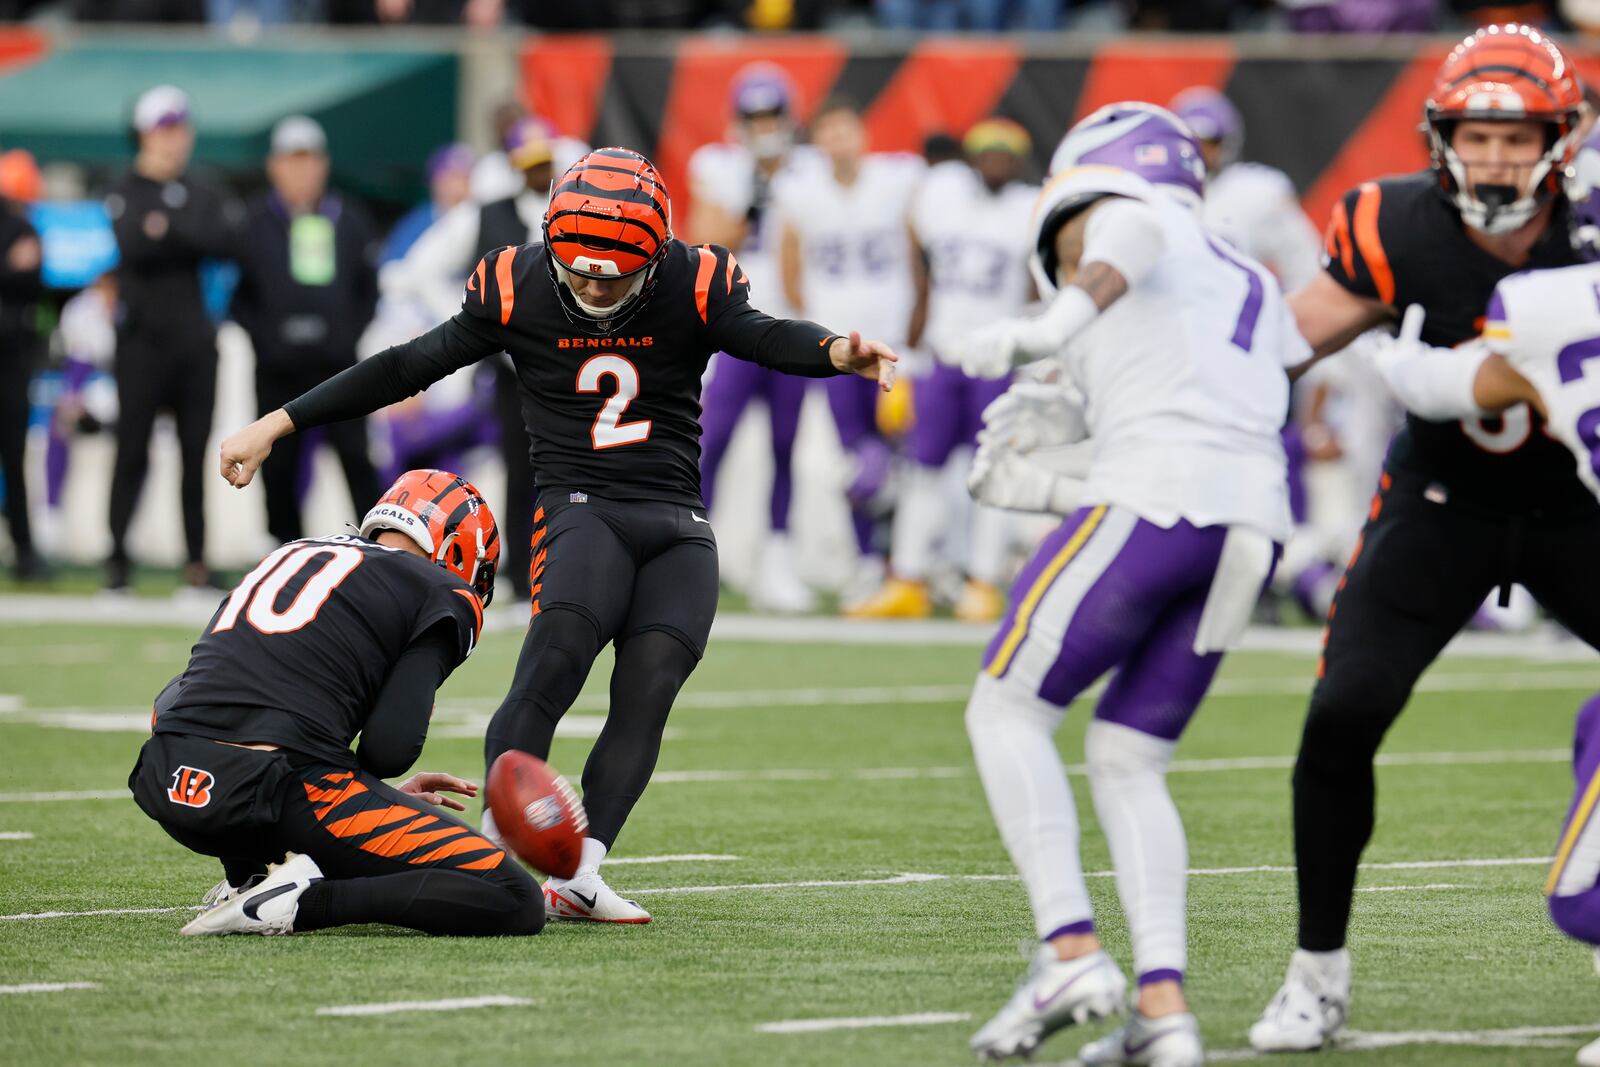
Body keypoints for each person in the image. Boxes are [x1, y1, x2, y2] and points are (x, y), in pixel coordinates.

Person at [216, 148, 897, 923]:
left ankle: (581, 871)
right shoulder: (516, 282)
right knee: (554, 665)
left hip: (679, 518)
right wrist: (277, 422)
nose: (594, 287)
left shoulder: (695, 278)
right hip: (581, 505)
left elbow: (764, 335)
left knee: (649, 691)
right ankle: (484, 858)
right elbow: (409, 365)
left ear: (656, 252)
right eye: (580, 272)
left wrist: (837, 352)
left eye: (613, 275)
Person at [1246, 25, 1600, 1052]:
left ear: (1560, 137)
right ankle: (1315, 973)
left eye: (1514, 135)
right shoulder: (1391, 221)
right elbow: (1277, 344)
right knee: (1342, 710)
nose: (1492, 158)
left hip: (1581, 510)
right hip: (1442, 502)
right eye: (1473, 136)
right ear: (1439, 136)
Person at [947, 103, 1299, 1066]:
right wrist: (1051, 477)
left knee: (1004, 707)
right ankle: (1164, 1011)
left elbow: (1134, 229)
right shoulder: (1249, 276)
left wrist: (1037, 329)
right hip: (1245, 528)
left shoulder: (1137, 222)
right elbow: (1203, 416)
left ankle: (1066, 949)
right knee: (1129, 759)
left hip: (1161, 503)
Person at [1365, 130, 1600, 1067]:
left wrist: (1395, 359)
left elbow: (1438, 380)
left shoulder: (1549, 300)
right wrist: (1398, 360)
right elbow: (1454, 383)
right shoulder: (1554, 306)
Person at [129, 468, 542, 938]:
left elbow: (176, 698)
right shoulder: (440, 590)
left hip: (168, 778)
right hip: (278, 790)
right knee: (515, 898)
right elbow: (389, 749)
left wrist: (370, 796)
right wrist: (365, 788)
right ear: (455, 550)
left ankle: (249, 877)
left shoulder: (291, 552)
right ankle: (301, 903)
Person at [384, 116, 588, 604]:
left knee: (574, 478)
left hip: (573, 367)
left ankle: (571, 573)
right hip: (513, 370)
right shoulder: (485, 213)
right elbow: (411, 270)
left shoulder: (577, 209)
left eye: (545, 162)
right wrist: (471, 319)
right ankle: (520, 580)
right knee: (520, 473)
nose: (540, 173)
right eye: (531, 164)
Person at [848, 117, 1036, 622]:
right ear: (973, 158)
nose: (997, 161)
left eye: (1006, 154)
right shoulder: (943, 197)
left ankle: (981, 580)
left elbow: (1039, 291)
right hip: (942, 353)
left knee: (990, 475)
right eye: (989, 152)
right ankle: (908, 578)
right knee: (920, 471)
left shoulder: (1029, 209)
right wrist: (909, 359)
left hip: (996, 359)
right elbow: (921, 274)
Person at [775, 97, 924, 608]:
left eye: (846, 131)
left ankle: (908, 566)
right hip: (842, 348)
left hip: (894, 344)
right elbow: (790, 269)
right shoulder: (801, 192)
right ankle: (868, 563)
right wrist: (822, 329)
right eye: (829, 133)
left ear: (862, 135)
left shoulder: (895, 181)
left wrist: (915, 322)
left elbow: (917, 252)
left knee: (906, 457)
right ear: (817, 142)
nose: (838, 142)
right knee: (856, 459)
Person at [688, 63, 823, 613]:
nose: (765, 126)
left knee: (786, 445)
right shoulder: (720, 167)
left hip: (791, 324)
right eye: (755, 116)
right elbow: (703, 239)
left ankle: (777, 561)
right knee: (711, 441)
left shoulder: (811, 172)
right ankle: (692, 554)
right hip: (734, 328)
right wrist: (753, 196)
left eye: (772, 115)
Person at [104, 84, 242, 593]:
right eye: (164, 129)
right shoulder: (123, 186)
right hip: (141, 341)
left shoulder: (202, 188)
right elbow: (133, 243)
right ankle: (117, 561)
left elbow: (224, 241)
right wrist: (180, 231)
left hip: (192, 341)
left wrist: (170, 228)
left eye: (180, 129)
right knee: (132, 451)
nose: (174, 140)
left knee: (195, 454)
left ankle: (196, 564)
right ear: (143, 134)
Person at [232, 116, 381, 545]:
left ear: (323, 164)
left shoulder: (348, 218)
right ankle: (284, 550)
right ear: (274, 166)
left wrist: (345, 334)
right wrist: (267, 339)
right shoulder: (255, 221)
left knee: (356, 460)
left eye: (309, 160)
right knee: (277, 466)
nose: (301, 171)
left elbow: (367, 289)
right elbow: (239, 296)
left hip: (338, 369)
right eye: (292, 161)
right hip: (278, 368)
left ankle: (378, 551)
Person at [0, 183, 45, 580]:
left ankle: (25, 552)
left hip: (11, 361)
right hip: (12, 352)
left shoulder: (19, 225)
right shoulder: (17, 230)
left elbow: (32, 280)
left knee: (14, 459)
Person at [379, 142, 475, 266]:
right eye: (452, 177)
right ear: (435, 182)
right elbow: (390, 269)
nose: (459, 186)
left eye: (465, 177)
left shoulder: (484, 219)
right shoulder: (417, 222)